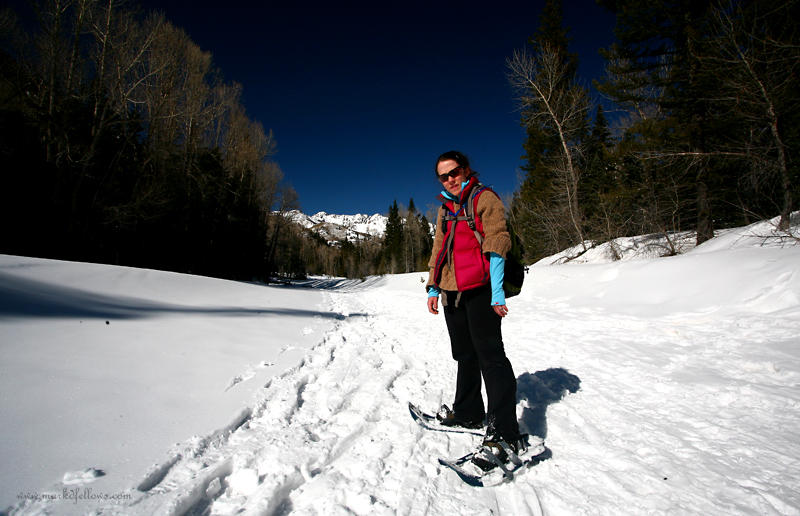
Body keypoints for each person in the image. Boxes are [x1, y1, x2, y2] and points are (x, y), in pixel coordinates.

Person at [425, 150, 524, 470]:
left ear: (466, 170)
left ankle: (506, 433)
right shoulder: (445, 209)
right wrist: (432, 286)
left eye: (455, 172)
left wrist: (497, 293)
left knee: (491, 358)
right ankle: (468, 413)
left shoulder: (485, 198)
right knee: (464, 356)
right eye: (444, 176)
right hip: (452, 294)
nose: (450, 179)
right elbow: (439, 249)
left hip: (481, 290)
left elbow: (497, 242)